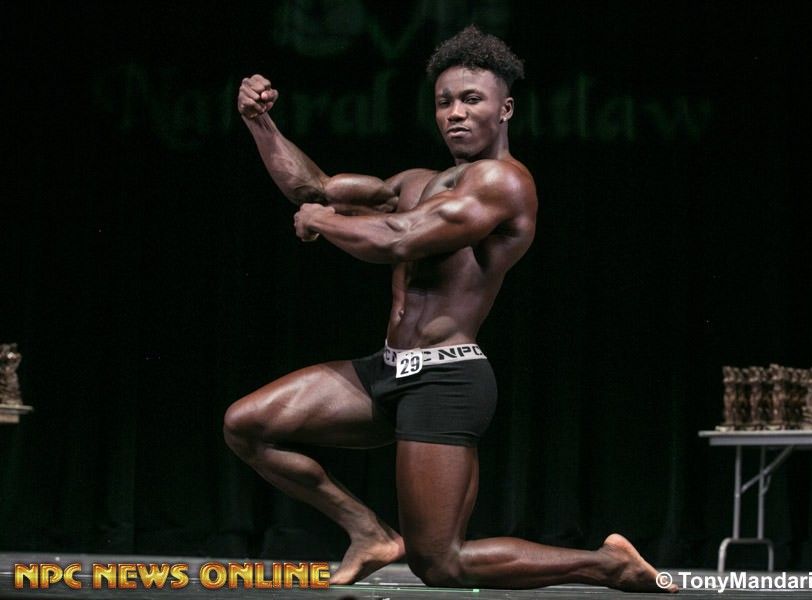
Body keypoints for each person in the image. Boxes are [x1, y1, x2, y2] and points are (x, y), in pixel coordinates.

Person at [224, 25, 674, 592]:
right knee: (248, 427)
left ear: (505, 109)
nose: (455, 113)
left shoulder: (504, 183)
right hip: (387, 371)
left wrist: (322, 222)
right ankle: (367, 531)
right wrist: (260, 122)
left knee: (440, 563)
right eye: (444, 102)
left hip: (445, 381)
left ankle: (606, 564)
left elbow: (398, 240)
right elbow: (313, 187)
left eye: (471, 99)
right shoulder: (416, 183)